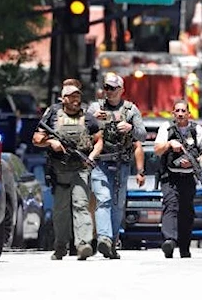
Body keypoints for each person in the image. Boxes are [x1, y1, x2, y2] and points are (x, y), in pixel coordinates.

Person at [32, 81, 103, 261]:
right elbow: (36, 138)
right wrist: (51, 142)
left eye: (77, 96)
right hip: (59, 170)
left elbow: (98, 140)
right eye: (71, 97)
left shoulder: (87, 117)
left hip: (80, 168)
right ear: (63, 99)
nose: (75, 100)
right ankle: (60, 246)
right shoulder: (53, 115)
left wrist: (92, 157)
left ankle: (83, 244)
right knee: (61, 210)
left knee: (81, 205)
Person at [87, 73, 146, 259]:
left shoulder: (130, 110)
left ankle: (112, 242)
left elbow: (142, 135)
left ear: (122, 90)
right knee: (103, 199)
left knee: (117, 204)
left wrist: (131, 128)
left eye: (113, 88)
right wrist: (91, 119)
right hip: (100, 163)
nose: (109, 92)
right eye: (106, 88)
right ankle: (103, 238)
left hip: (122, 163)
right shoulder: (95, 108)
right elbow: (82, 129)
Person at [154, 99, 202, 258]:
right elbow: (157, 150)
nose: (180, 114)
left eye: (183, 111)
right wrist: (169, 144)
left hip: (188, 177)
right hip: (170, 176)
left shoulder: (197, 130)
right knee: (170, 204)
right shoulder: (166, 128)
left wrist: (197, 161)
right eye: (177, 111)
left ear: (189, 113)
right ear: (173, 113)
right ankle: (169, 241)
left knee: (186, 211)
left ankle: (184, 246)